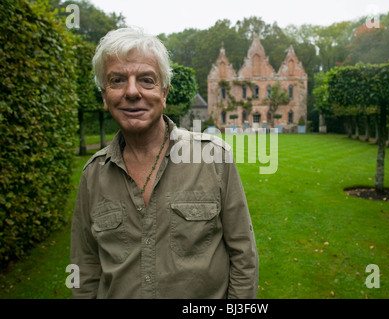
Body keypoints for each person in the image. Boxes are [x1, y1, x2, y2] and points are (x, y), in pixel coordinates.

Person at [70, 27, 258, 299]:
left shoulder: (214, 158)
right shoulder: (93, 176)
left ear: (164, 92)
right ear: (104, 96)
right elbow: (84, 267)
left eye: (146, 80)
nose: (132, 92)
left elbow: (244, 257)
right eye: (117, 80)